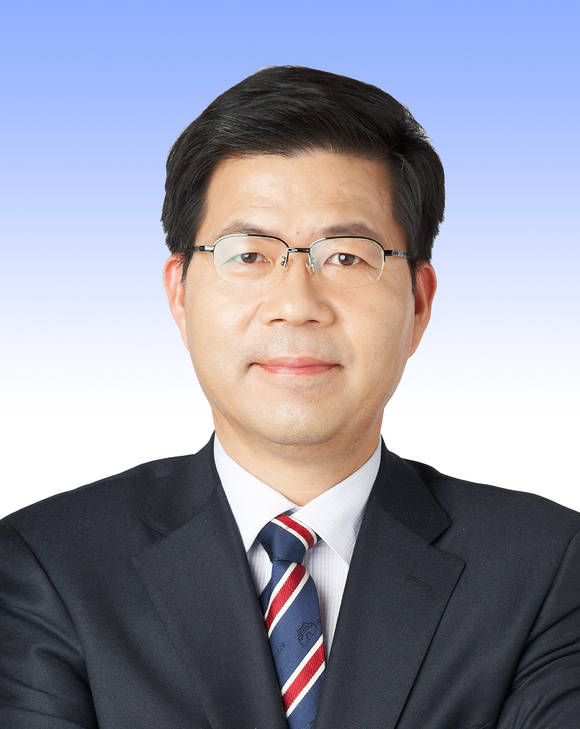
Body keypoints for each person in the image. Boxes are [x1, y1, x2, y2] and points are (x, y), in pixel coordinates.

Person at [1, 66, 579, 729]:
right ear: (180, 295)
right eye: (249, 255)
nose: (296, 304)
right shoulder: (47, 564)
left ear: (418, 304)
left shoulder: (547, 566)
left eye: (347, 256)